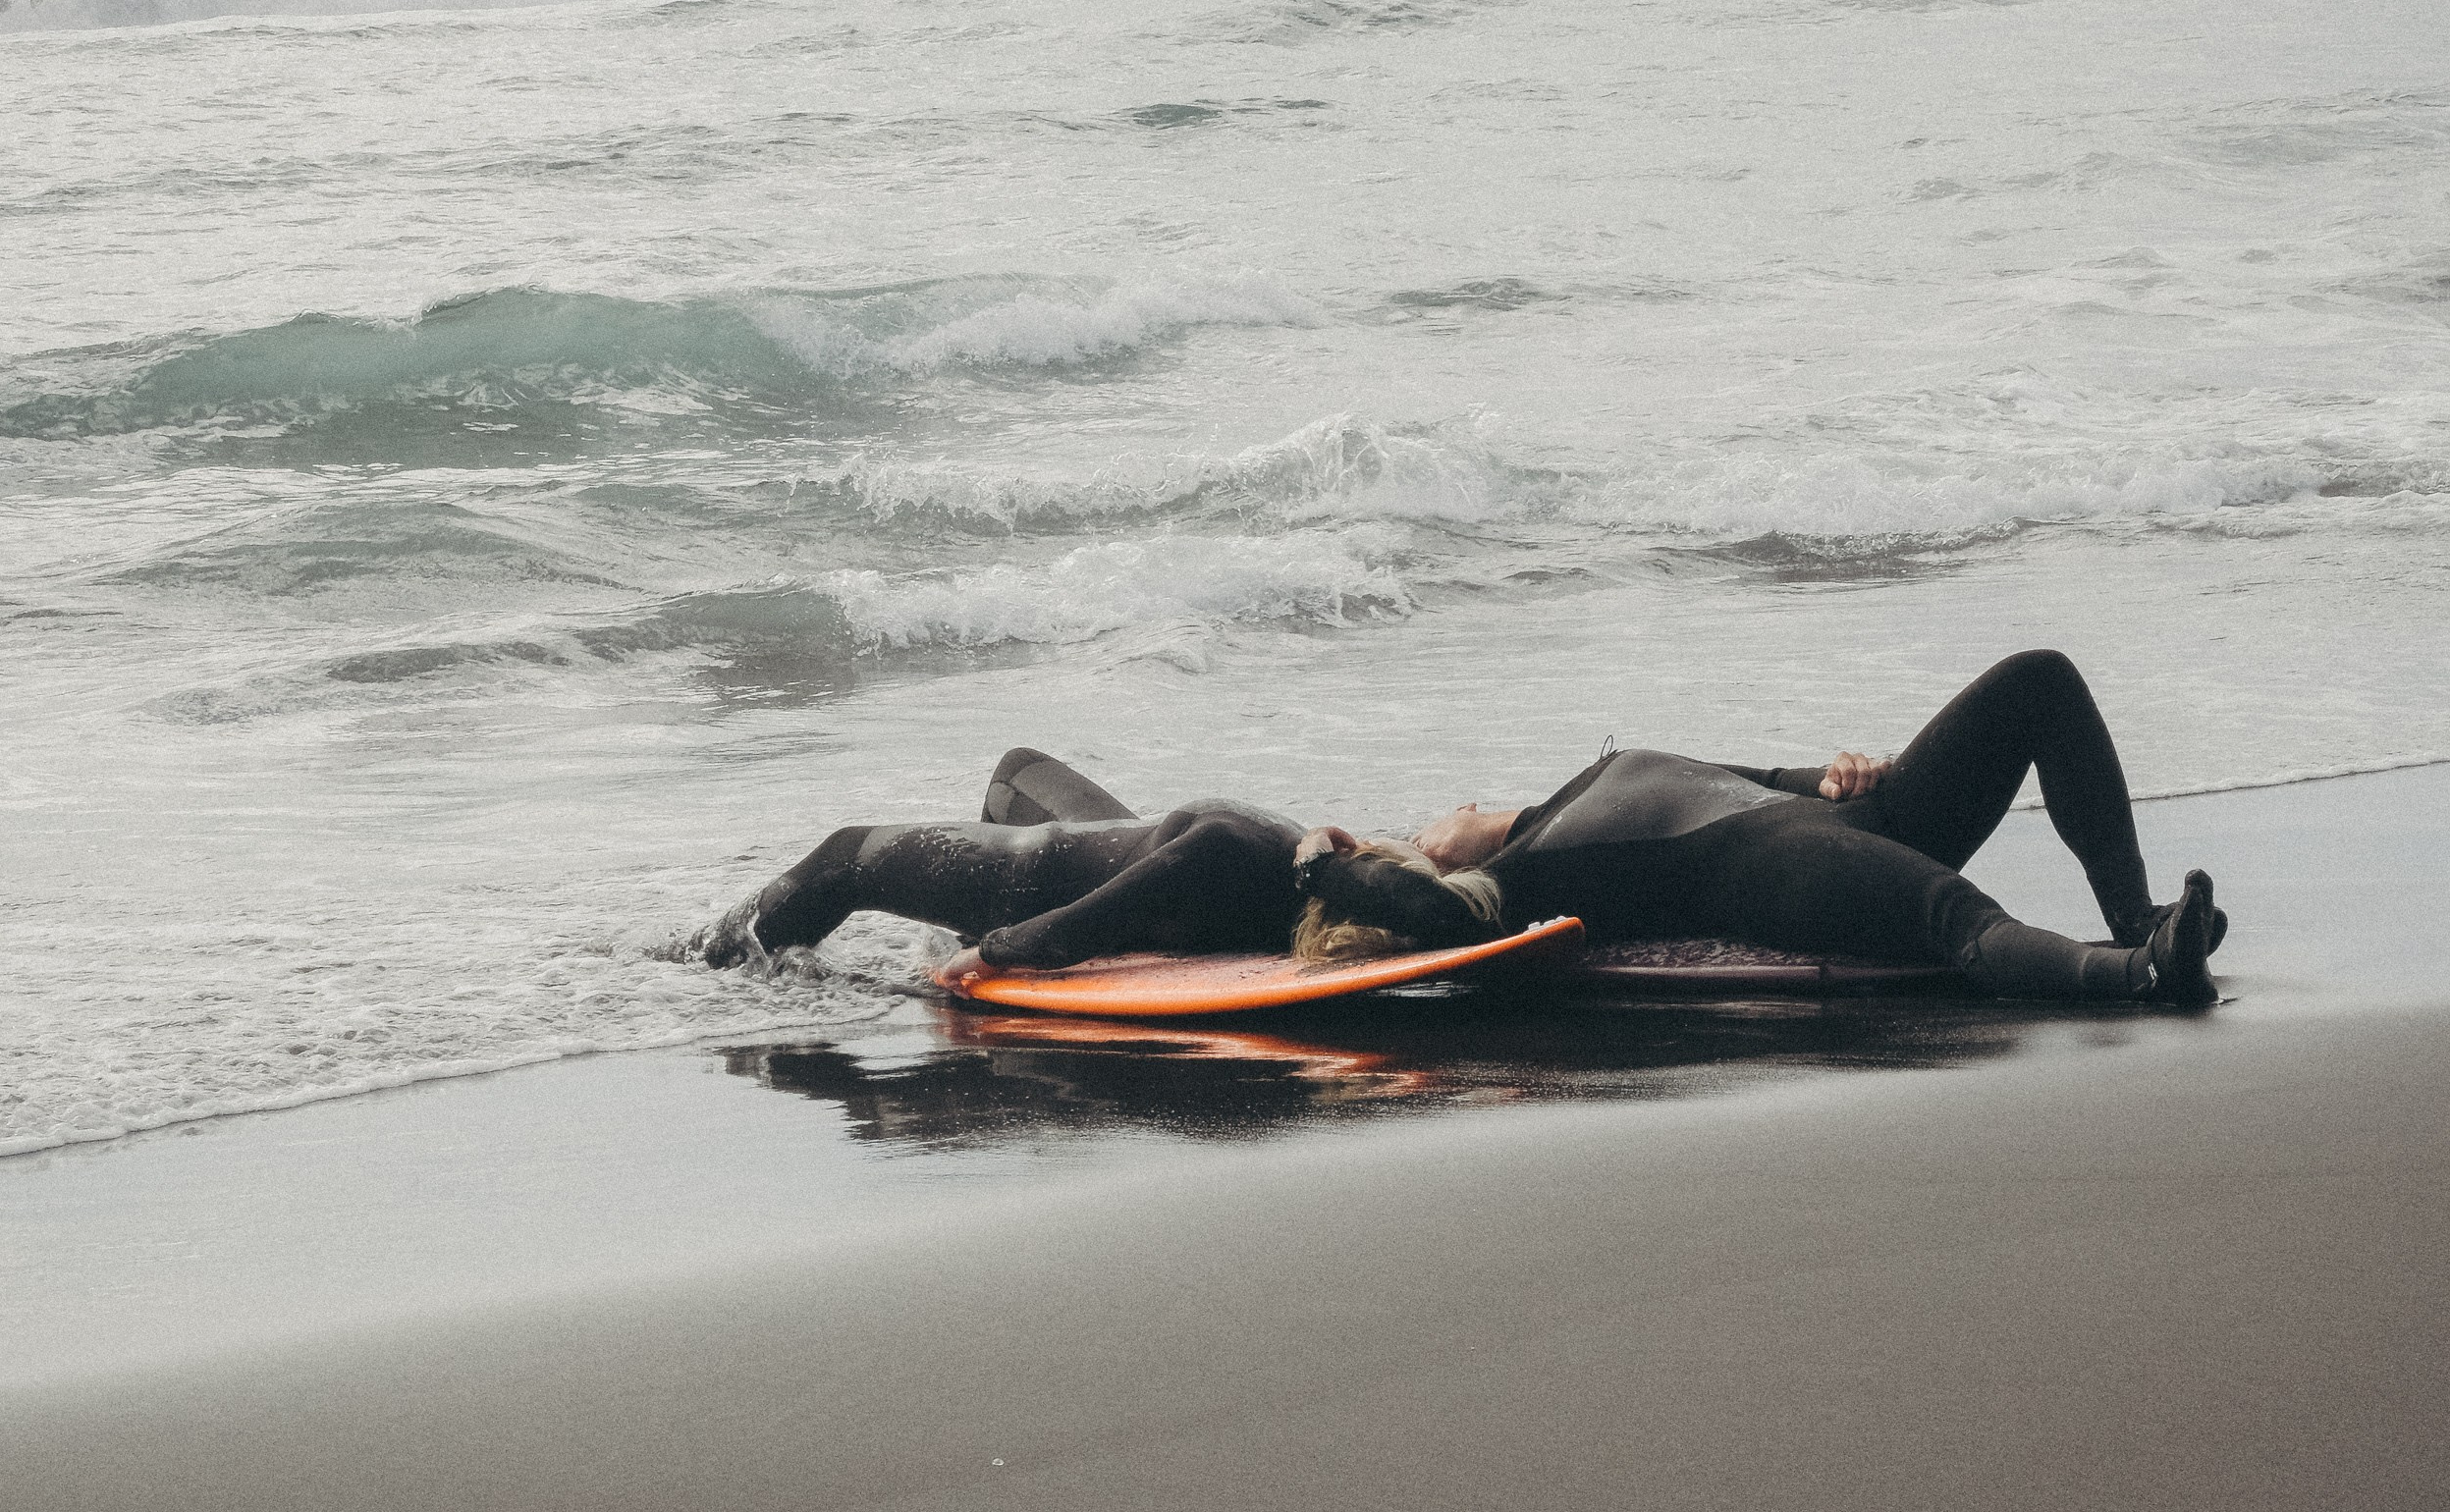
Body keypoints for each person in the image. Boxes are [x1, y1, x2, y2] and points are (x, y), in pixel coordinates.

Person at [1295, 650, 2225, 1005]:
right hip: (1776, 865)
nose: (1445, 809)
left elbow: (1724, 776)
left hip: (1843, 814)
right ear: (1427, 862)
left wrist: (1825, 774)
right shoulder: (1524, 885)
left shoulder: (1572, 792)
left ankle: (2135, 914)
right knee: (1957, 921)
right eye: (1417, 830)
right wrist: (1323, 867)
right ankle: (2147, 971)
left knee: (2039, 681)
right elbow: (1429, 920)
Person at [690, 749, 1305, 975]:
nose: (1409, 835)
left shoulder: (1225, 851)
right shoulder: (1321, 855)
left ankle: (705, 961)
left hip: (1038, 882)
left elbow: (1070, 932)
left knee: (847, 855)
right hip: (1122, 842)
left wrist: (989, 952)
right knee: (1016, 771)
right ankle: (962, 908)